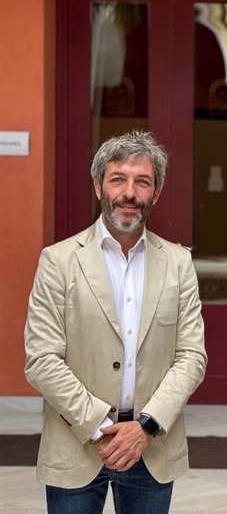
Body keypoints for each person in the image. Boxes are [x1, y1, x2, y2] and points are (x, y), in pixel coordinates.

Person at [24, 130, 207, 514]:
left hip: (152, 446)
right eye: (117, 179)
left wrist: (144, 428)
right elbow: (42, 359)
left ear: (155, 193)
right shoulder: (57, 262)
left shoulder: (178, 263)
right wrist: (98, 426)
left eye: (142, 182)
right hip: (77, 444)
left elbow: (191, 357)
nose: (129, 192)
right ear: (98, 187)